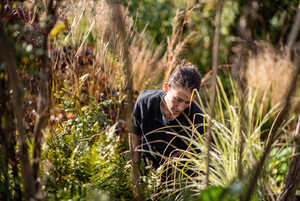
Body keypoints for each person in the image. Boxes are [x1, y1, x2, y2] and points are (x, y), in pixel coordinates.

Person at [129, 64, 204, 198]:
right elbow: (134, 132)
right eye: (178, 99)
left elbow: (199, 166)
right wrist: (134, 169)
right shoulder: (145, 102)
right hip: (147, 177)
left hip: (178, 188)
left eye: (187, 103)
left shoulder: (198, 120)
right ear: (166, 88)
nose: (181, 108)